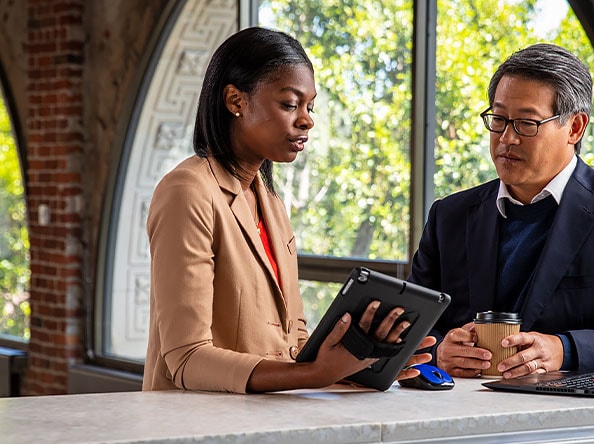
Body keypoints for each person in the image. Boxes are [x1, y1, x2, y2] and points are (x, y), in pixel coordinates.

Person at [143, 27, 434, 393]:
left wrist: (362, 363)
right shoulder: (187, 191)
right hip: (198, 419)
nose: (307, 120)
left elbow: (292, 342)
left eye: (309, 107)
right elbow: (187, 359)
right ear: (235, 100)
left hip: (268, 416)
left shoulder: (271, 202)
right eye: (289, 104)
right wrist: (317, 375)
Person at [408, 43, 594, 379]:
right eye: (499, 119)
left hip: (570, 409)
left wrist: (565, 349)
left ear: (575, 128)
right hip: (458, 406)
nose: (506, 138)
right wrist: (438, 351)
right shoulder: (449, 216)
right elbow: (408, 327)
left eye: (526, 123)